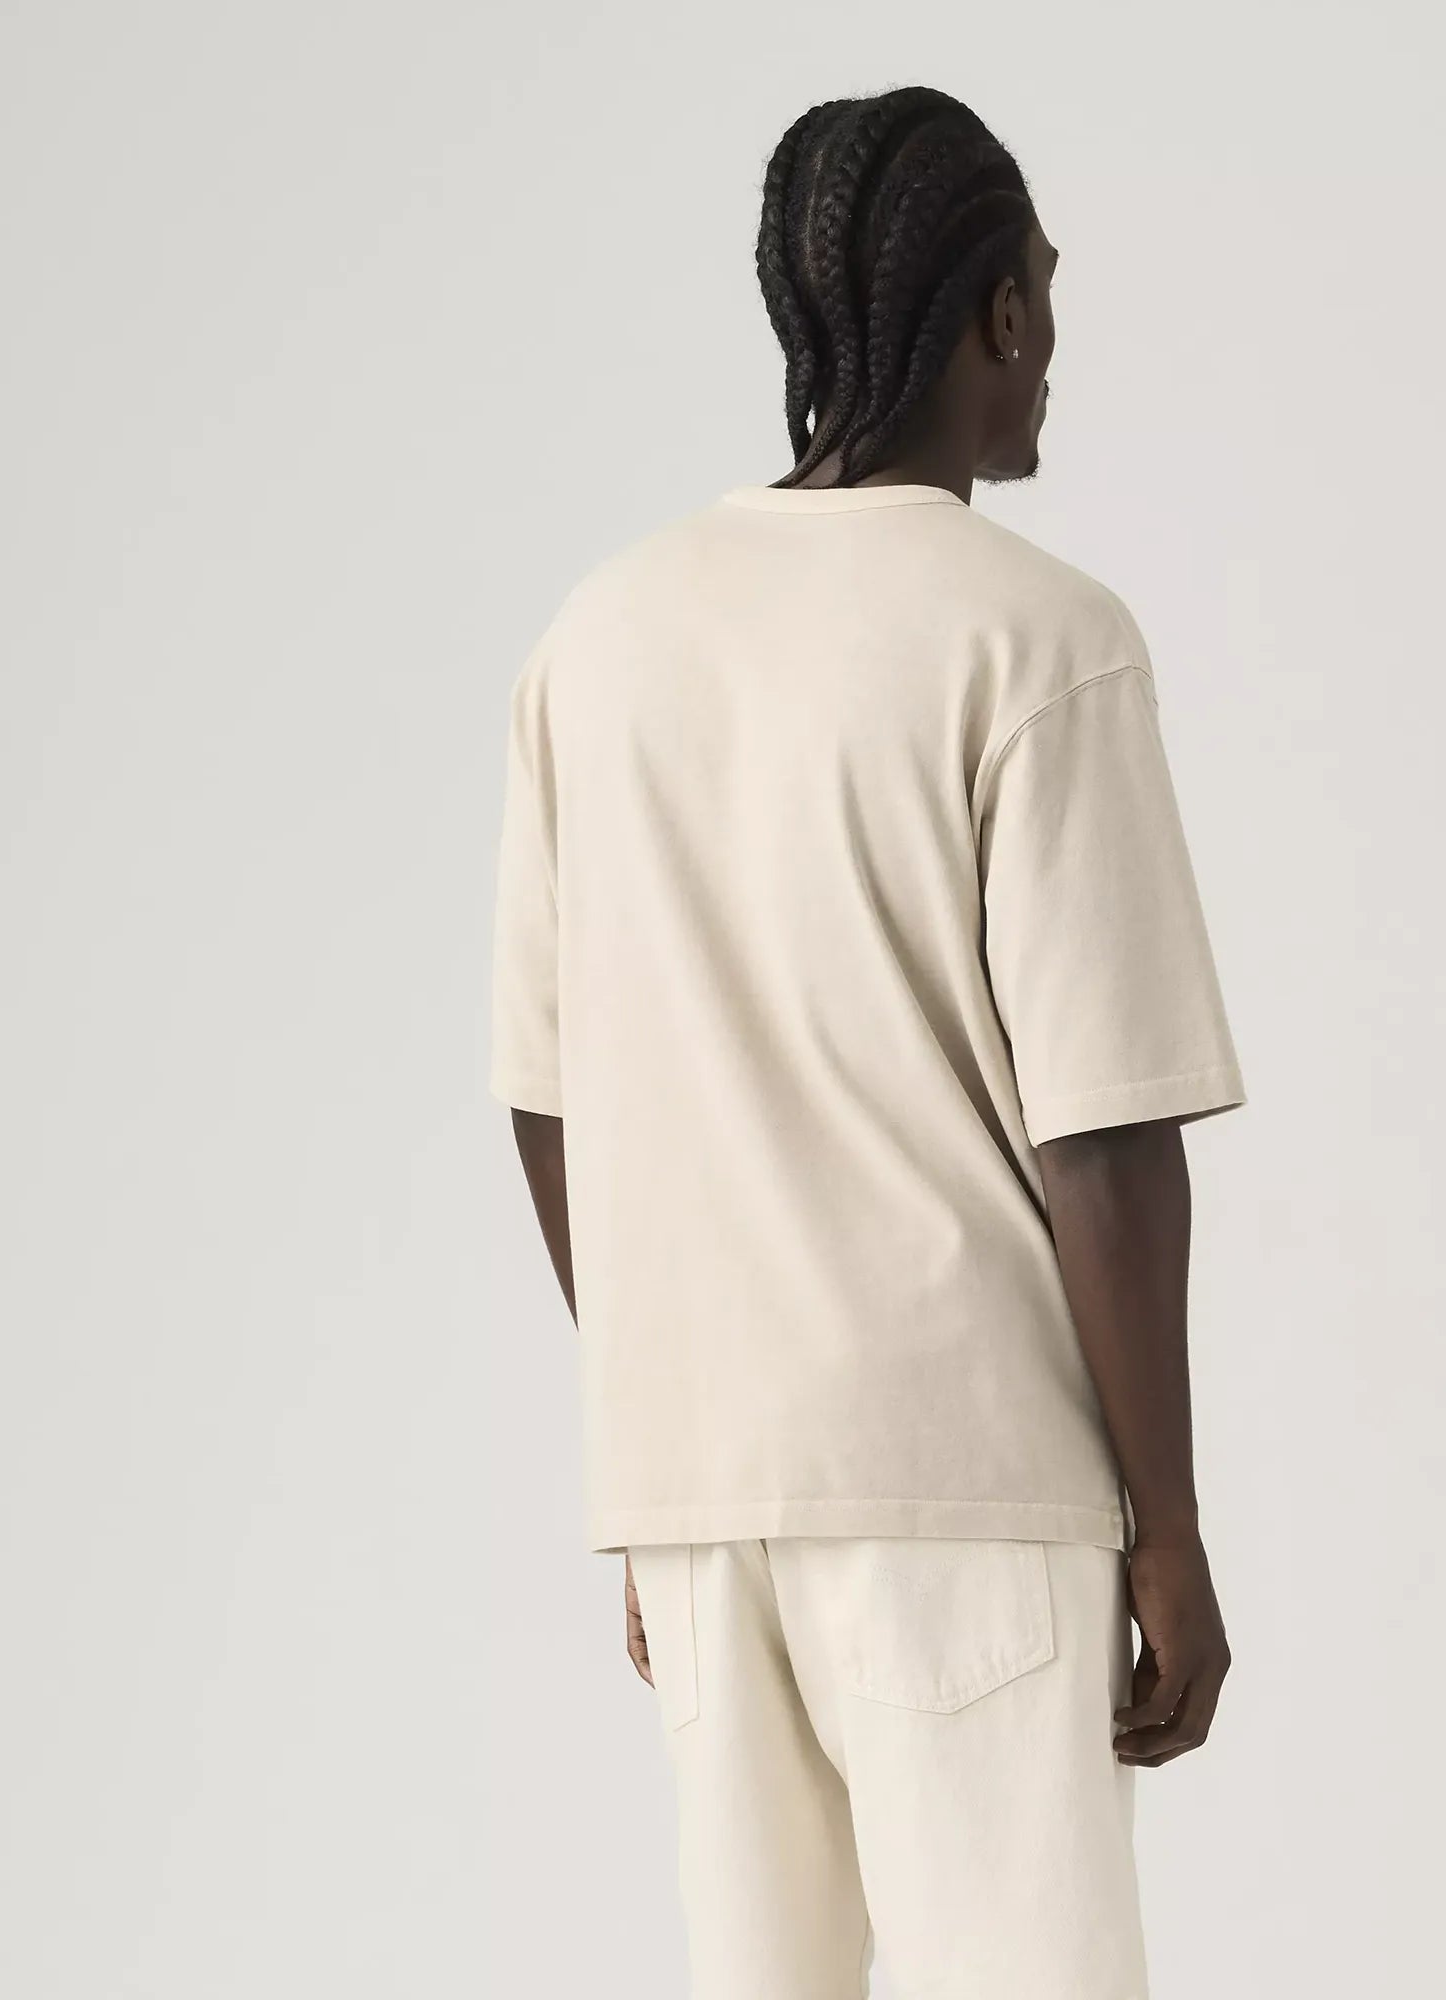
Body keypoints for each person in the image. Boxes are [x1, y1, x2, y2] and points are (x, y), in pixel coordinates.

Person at [490, 84, 1247, 2000]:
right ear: (999, 310)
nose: (1054, 344)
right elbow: (1105, 1134)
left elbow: (549, 1101)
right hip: (968, 1489)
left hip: (706, 1501)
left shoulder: (604, 636)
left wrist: (670, 1439)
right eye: (1046, 294)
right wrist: (1167, 1533)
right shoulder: (1038, 639)